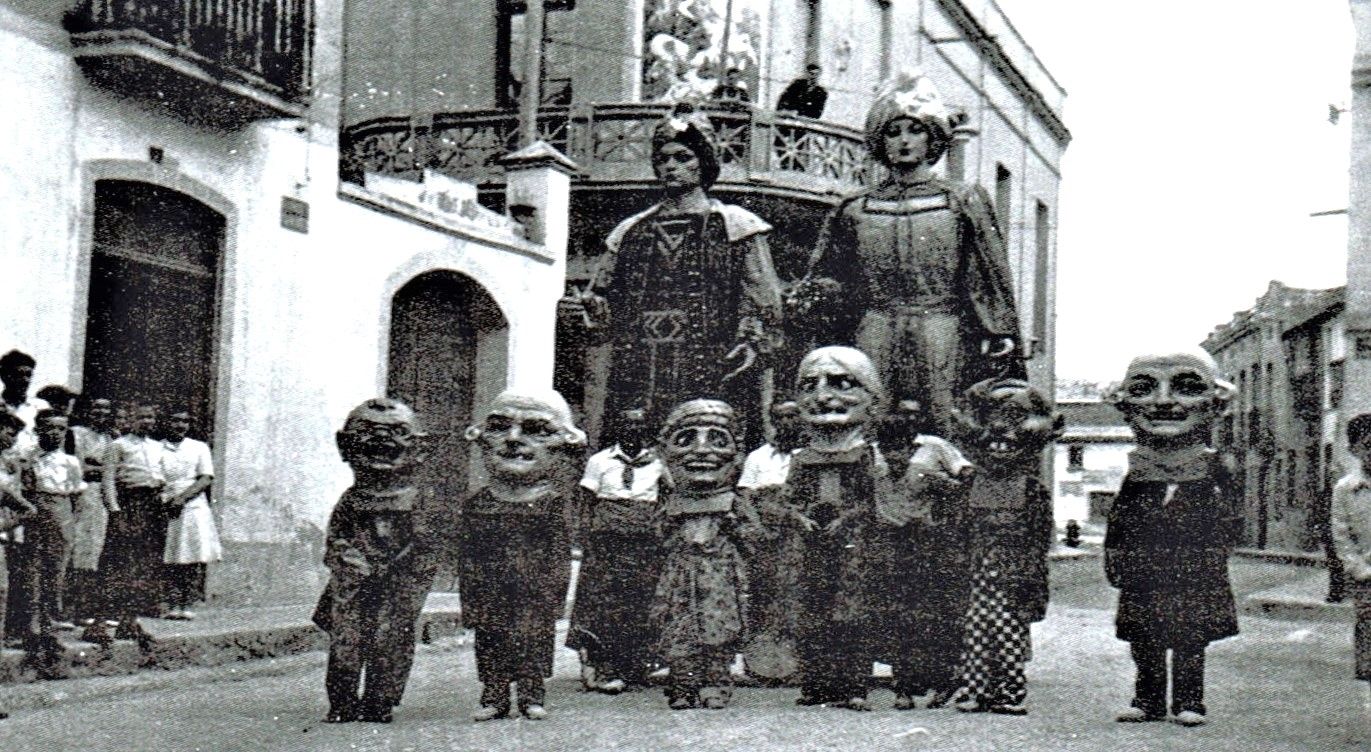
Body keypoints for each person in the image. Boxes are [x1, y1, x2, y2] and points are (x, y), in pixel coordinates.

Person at [803, 69, 1021, 440]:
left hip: (941, 322)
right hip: (876, 323)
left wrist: (998, 328)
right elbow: (829, 273)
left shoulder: (961, 199)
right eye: (894, 132)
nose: (904, 141)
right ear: (880, 140)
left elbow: (987, 270)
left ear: (932, 137)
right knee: (866, 414)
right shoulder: (854, 207)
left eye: (915, 130)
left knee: (946, 416)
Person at [560, 104, 784, 447]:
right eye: (663, 159)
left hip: (714, 358)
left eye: (682, 158)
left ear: (703, 162)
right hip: (640, 363)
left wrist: (752, 337)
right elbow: (600, 299)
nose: (671, 166)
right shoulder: (630, 231)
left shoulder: (737, 226)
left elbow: (762, 298)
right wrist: (586, 309)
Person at [1105, 350, 1241, 727]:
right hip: (1144, 570)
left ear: (1215, 402)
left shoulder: (1213, 467)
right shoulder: (1139, 471)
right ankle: (1147, 699)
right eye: (1144, 389)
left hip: (1193, 571)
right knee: (1144, 637)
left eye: (1186, 388)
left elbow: (1231, 516)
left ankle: (1189, 701)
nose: (1164, 402)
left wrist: (1214, 554)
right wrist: (1114, 555)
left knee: (1189, 638)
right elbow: (1120, 517)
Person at [459, 390, 584, 722]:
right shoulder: (479, 503)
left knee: (533, 640)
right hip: (490, 590)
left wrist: (555, 595)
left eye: (535, 430)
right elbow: (468, 555)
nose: (513, 440)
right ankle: (494, 696)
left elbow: (558, 554)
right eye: (500, 427)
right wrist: (470, 597)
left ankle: (531, 696)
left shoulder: (552, 502)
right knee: (491, 640)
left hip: (534, 592)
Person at [312, 398, 439, 724]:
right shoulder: (352, 499)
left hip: (398, 584)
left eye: (397, 432)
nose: (381, 439)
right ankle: (342, 702)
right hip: (355, 580)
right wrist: (351, 561)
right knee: (346, 639)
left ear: (420, 448)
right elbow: (337, 538)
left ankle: (379, 702)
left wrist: (400, 569)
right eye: (367, 431)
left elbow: (425, 543)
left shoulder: (416, 500)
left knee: (390, 638)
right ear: (345, 445)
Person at [780, 346, 888, 711]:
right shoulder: (801, 458)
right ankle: (817, 685)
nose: (823, 396)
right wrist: (799, 517)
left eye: (841, 384)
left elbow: (875, 499)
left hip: (855, 545)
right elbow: (789, 498)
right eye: (810, 386)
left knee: (853, 613)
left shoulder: (870, 455)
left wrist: (848, 518)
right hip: (811, 543)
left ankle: (854, 686)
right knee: (812, 612)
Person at [948, 378, 1058, 716]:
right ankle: (975, 690)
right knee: (975, 631)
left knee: (1009, 630)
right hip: (976, 568)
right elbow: (958, 528)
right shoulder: (970, 484)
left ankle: (1009, 692)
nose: (999, 442)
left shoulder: (1031, 488)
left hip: (1014, 571)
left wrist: (1033, 576)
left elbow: (1040, 537)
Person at [866, 401, 975, 711]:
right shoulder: (875, 473)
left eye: (900, 450)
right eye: (888, 450)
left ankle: (942, 680)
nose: (894, 456)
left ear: (910, 449)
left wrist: (943, 524)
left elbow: (960, 489)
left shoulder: (924, 473)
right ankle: (903, 687)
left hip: (923, 547)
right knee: (895, 616)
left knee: (928, 616)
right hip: (888, 547)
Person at [650, 399, 756, 710]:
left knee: (719, 632)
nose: (701, 450)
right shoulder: (672, 500)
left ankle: (715, 685)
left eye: (717, 440)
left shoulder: (733, 500)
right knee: (680, 631)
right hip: (681, 575)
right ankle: (683, 687)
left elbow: (753, 536)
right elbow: (657, 535)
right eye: (685, 439)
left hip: (720, 576)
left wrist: (734, 527)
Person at [568, 407, 666, 694]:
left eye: (639, 425)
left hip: (643, 542)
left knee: (638, 600)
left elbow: (667, 499)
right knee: (602, 600)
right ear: (618, 429)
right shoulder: (600, 461)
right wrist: (585, 537)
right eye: (627, 425)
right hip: (606, 543)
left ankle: (633, 665)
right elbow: (586, 502)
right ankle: (599, 663)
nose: (633, 430)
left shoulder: (659, 464)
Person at [737, 398, 804, 683]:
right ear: (773, 421)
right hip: (763, 537)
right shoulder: (758, 457)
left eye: (792, 416)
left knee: (794, 596)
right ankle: (759, 667)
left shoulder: (810, 454)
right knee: (762, 596)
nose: (787, 422)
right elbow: (744, 496)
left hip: (796, 535)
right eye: (781, 417)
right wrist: (757, 528)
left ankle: (795, 667)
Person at [14, 408, 85, 674]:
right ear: (38, 430)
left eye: (60, 428)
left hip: (60, 513)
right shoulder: (27, 458)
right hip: (33, 512)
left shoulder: (70, 462)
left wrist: (68, 524)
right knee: (31, 569)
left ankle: (50, 626)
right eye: (49, 428)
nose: (55, 433)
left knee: (56, 572)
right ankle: (30, 626)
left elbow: (76, 497)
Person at [92, 402, 166, 643]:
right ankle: (99, 623)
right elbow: (108, 481)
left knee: (142, 565)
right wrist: (115, 511)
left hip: (151, 506)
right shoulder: (118, 445)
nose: (147, 422)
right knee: (116, 564)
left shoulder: (158, 447)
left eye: (151, 417)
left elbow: (162, 477)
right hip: (128, 504)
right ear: (131, 420)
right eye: (142, 417)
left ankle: (129, 621)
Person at [159, 410, 220, 620]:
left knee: (191, 555)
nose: (180, 425)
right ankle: (170, 603)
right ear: (167, 422)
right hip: (165, 503)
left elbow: (205, 478)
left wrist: (182, 498)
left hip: (192, 504)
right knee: (169, 555)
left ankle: (186, 603)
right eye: (175, 420)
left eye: (185, 421)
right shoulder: (157, 447)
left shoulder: (198, 447)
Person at [67, 397, 117, 627]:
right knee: (77, 549)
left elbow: (112, 471)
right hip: (80, 494)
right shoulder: (75, 433)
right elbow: (76, 467)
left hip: (100, 497)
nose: (101, 413)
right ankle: (71, 609)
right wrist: (97, 468)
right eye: (97, 408)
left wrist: (98, 468)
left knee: (95, 551)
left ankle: (89, 608)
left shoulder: (110, 438)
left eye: (106, 409)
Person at [1331, 413, 1371, 692]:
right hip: (1366, 574)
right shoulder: (1346, 489)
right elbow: (1341, 534)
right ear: (1354, 450)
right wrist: (1358, 568)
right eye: (1367, 445)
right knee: (1367, 622)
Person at [0, 411, 34, 719]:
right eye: (7, 431)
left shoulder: (8, 466)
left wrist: (6, 526)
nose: (11, 438)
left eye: (14, 433)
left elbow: (26, 508)